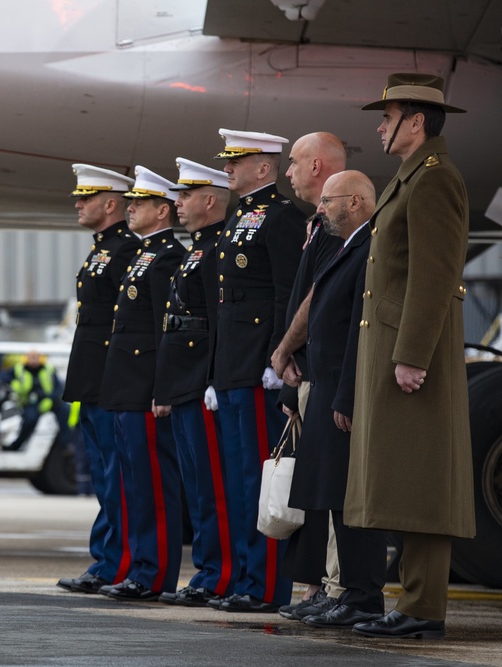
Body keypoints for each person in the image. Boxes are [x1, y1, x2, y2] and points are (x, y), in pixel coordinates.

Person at [347, 73, 474, 639]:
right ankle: (415, 602)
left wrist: (413, 354)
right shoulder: (412, 177)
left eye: (387, 115)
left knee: (423, 480)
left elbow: (434, 274)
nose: (379, 126)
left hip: (411, 352)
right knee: (406, 479)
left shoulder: (434, 179)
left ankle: (424, 608)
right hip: (396, 347)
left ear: (415, 120)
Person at [284, 170, 389, 630]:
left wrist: (346, 395)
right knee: (331, 497)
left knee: (351, 502)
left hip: (341, 392)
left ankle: (363, 596)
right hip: (325, 385)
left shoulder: (370, 247)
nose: (320, 209)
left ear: (357, 201)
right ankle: (343, 592)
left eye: (329, 201)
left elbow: (358, 334)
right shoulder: (348, 246)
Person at [209, 129, 304, 612]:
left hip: (256, 366)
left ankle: (266, 586)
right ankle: (247, 578)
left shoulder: (282, 217)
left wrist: (277, 356)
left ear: (263, 168)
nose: (226, 168)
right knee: (237, 479)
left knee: (257, 479)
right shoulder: (238, 215)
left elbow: (287, 292)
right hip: (232, 365)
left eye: (236, 161)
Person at [270, 132, 348, 620]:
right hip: (309, 369)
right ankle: (323, 585)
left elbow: (316, 298)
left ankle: (336, 587)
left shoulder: (336, 227)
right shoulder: (319, 225)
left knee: (331, 488)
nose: (289, 172)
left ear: (318, 166)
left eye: (295, 163)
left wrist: (285, 349)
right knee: (316, 488)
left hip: (322, 371)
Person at [98, 166, 185, 602]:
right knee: (132, 484)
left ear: (162, 210)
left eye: (139, 203)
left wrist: (161, 388)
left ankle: (155, 573)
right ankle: (137, 567)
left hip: (144, 388)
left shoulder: (167, 256)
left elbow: (161, 330)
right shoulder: (142, 254)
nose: (130, 209)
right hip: (123, 386)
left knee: (153, 485)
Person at [152, 158, 233, 607]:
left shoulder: (216, 247)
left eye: (185, 195)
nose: (177, 203)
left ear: (209, 200)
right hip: (185, 381)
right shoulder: (198, 249)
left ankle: (218, 573)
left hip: (201, 382)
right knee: (198, 487)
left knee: (212, 485)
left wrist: (210, 378)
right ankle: (209, 569)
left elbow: (217, 323)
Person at [56, 164, 140, 595]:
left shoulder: (125, 250)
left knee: (116, 475)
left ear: (111, 205)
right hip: (92, 376)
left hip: (110, 377)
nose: (77, 203)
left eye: (85, 197)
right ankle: (105, 559)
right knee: (104, 476)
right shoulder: (102, 249)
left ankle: (115, 562)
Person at [0, 350, 70, 452]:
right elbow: (2, 377)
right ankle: (16, 445)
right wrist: (14, 386)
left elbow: (58, 388)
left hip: (48, 400)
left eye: (36, 357)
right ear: (26, 358)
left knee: (65, 410)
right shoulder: (19, 369)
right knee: (30, 419)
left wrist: (50, 398)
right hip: (30, 402)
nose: (33, 360)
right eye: (31, 357)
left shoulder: (48, 369)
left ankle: (65, 445)